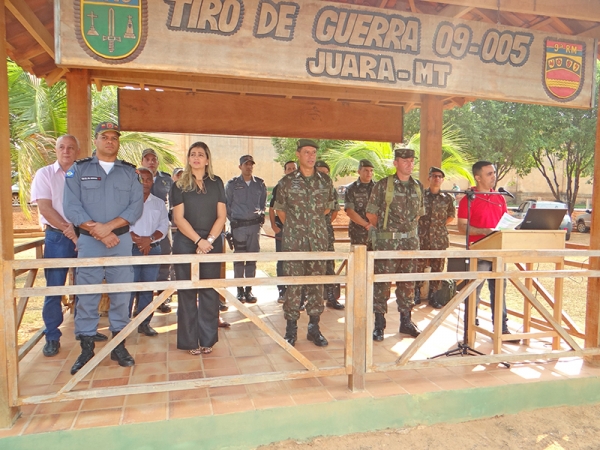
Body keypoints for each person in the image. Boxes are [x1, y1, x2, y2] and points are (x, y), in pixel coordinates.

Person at [64, 122, 143, 374]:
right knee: (88, 294)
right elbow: (72, 207)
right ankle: (86, 348)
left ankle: (119, 346)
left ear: (118, 143)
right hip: (89, 240)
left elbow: (135, 208)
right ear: (96, 141)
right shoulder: (78, 170)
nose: (110, 141)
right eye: (104, 137)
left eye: (114, 138)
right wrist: (97, 230)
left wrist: (107, 228)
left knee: (122, 294)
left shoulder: (130, 173)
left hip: (120, 241)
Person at [30, 135, 107, 357]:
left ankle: (87, 332)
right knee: (55, 287)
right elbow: (45, 208)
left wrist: (85, 231)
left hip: (85, 235)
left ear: (77, 151)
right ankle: (52, 336)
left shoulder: (85, 175)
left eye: (71, 148)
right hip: (58, 237)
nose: (66, 151)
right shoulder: (44, 174)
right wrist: (70, 232)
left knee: (87, 286)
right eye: (62, 147)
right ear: (56, 150)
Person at [274, 139, 336, 347]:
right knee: (293, 284)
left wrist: (313, 224)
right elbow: (280, 210)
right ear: (298, 154)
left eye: (314, 153)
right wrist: (297, 227)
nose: (311, 156)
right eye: (307, 152)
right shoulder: (287, 182)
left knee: (316, 285)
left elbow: (329, 208)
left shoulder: (325, 181)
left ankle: (314, 328)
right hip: (294, 242)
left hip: (318, 241)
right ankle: (291, 329)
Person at [170, 141, 227, 355]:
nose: (196, 158)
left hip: (211, 243)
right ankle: (189, 341)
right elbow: (178, 218)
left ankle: (207, 339)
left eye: (200, 154)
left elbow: (222, 216)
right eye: (192, 154)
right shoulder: (178, 185)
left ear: (207, 159)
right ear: (188, 159)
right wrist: (198, 241)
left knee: (209, 291)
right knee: (187, 291)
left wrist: (209, 240)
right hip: (187, 242)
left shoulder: (217, 183)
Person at [366, 147, 424, 342]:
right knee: (382, 283)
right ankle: (379, 324)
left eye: (412, 160)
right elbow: (371, 214)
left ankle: (406, 321)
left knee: (408, 283)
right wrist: (389, 233)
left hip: (409, 243)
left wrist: (405, 233)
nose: (409, 163)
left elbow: (418, 215)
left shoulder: (417, 186)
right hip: (387, 244)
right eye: (404, 160)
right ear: (396, 163)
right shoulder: (383, 185)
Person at [457, 161, 517, 341]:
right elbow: (461, 227)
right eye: (489, 173)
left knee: (499, 290)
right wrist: (484, 231)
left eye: (494, 173)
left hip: (498, 252)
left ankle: (501, 328)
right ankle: (470, 328)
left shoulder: (500, 198)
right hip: (478, 251)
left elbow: (504, 221)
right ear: (478, 177)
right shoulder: (468, 199)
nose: (494, 176)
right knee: (474, 290)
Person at [129, 167, 170, 337]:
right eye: (141, 180)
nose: (145, 183)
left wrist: (149, 239)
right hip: (131, 249)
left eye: (148, 180)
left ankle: (144, 323)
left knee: (148, 287)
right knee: (128, 288)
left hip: (152, 250)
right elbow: (122, 225)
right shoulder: (126, 201)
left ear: (152, 182)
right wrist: (136, 239)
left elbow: (163, 226)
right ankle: (123, 325)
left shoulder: (159, 203)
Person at [225, 155, 267, 303]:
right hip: (239, 227)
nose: (248, 167)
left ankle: (249, 290)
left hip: (254, 227)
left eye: (251, 164)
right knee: (239, 258)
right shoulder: (232, 184)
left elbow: (262, 205)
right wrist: (234, 220)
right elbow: (226, 205)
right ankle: (239, 290)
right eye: (246, 164)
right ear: (240, 167)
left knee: (252, 258)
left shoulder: (260, 184)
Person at [415, 167, 456, 305]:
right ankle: (416, 293)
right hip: (422, 237)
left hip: (439, 239)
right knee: (418, 266)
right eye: (434, 176)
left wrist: (438, 225)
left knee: (437, 268)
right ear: (429, 178)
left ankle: (434, 296)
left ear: (442, 180)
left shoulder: (447, 198)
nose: (437, 178)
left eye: (439, 176)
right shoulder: (421, 196)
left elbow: (451, 215)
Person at [140, 148, 174, 314]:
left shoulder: (166, 180)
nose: (151, 162)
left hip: (161, 226)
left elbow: (173, 202)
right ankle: (140, 304)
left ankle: (162, 298)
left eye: (154, 159)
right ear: (142, 162)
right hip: (140, 228)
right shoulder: (135, 178)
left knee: (164, 262)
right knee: (139, 264)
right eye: (147, 159)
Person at [314, 160, 344, 310]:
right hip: (308, 233)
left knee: (328, 265)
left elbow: (335, 212)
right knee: (308, 265)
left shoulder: (330, 189)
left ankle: (331, 297)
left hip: (325, 232)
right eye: (320, 172)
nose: (323, 175)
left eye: (325, 173)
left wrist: (322, 223)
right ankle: (304, 298)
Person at [269, 160, 297, 303]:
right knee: (282, 261)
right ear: (285, 171)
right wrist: (274, 225)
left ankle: (295, 291)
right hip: (283, 229)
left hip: (299, 231)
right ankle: (282, 290)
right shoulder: (279, 186)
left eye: (294, 168)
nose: (291, 170)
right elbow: (272, 208)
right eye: (289, 168)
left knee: (296, 261)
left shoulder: (303, 185)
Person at [345, 159, 376, 247]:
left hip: (376, 232)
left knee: (375, 260)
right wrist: (367, 225)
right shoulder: (351, 189)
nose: (369, 173)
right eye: (366, 170)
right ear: (359, 171)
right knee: (358, 260)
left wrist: (374, 224)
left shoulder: (378, 188)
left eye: (371, 170)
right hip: (358, 233)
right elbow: (350, 211)